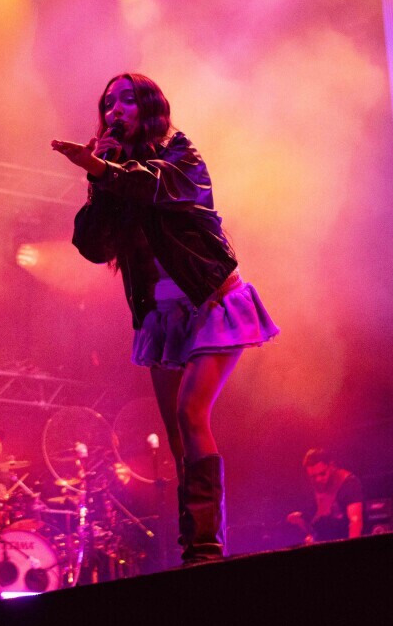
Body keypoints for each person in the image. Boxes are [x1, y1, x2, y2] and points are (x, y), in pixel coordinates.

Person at [52, 73, 279, 565]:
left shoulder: (181, 155)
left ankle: (206, 543)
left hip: (211, 301)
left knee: (191, 412)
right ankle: (194, 542)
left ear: (150, 107)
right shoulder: (111, 172)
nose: (115, 110)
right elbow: (92, 246)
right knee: (177, 435)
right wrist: (97, 178)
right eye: (107, 103)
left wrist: (104, 169)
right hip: (161, 316)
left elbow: (153, 186)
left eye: (127, 100)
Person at [286, 448, 364, 543]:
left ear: (331, 466)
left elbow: (355, 521)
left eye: (322, 474)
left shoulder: (348, 483)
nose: (318, 479)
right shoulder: (312, 487)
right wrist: (301, 520)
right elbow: (316, 525)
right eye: (313, 476)